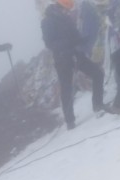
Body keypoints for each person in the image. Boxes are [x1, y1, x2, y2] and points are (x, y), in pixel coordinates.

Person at [41, 0, 107, 129]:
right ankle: (69, 121)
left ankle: (98, 105)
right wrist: (67, 45)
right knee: (66, 88)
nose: (67, 12)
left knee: (97, 73)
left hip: (76, 54)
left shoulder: (66, 18)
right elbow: (49, 43)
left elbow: (74, 36)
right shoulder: (47, 22)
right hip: (62, 59)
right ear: (59, 8)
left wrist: (83, 39)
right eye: (66, 10)